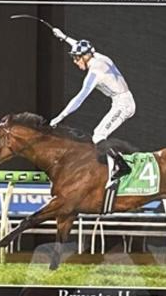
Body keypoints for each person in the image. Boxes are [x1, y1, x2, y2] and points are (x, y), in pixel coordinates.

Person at [47, 28, 136, 211]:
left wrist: (60, 117)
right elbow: (78, 45)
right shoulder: (99, 56)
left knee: (98, 135)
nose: (75, 62)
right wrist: (63, 37)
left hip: (123, 104)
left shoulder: (95, 72)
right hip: (121, 100)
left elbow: (79, 98)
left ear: (84, 57)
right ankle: (118, 164)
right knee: (98, 136)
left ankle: (122, 166)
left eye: (76, 58)